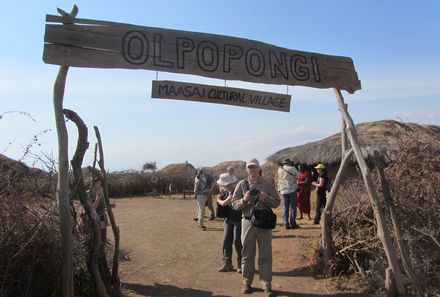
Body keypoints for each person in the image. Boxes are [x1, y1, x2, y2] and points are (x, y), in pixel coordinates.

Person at [232, 158, 280, 297]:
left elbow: (277, 202)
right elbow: (234, 204)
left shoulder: (267, 183)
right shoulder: (242, 184)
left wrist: (266, 198)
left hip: (263, 222)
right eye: (250, 168)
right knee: (247, 253)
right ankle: (246, 282)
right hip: (247, 221)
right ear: (247, 169)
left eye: (254, 167)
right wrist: (244, 200)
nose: (252, 170)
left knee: (265, 254)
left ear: (259, 169)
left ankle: (266, 284)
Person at [216, 173, 242, 273]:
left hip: (238, 219)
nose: (222, 186)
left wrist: (218, 199)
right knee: (226, 240)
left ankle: (240, 263)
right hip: (229, 219)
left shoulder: (236, 191)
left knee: (237, 242)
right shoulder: (227, 191)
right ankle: (228, 262)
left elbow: (223, 203)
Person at [277, 158, 299, 229]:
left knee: (285, 207)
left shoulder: (279, 170)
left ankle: (285, 223)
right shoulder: (292, 168)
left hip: (283, 190)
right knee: (293, 207)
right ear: (289, 163)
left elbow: (279, 179)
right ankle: (293, 223)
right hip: (292, 189)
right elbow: (298, 176)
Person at [91, 177, 108, 244]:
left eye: (100, 183)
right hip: (94, 221)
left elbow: (103, 207)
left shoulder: (101, 194)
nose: (99, 184)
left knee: (103, 240)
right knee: (96, 242)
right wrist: (97, 198)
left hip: (102, 220)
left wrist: (111, 206)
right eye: (97, 182)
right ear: (93, 183)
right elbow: (92, 210)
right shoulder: (89, 194)